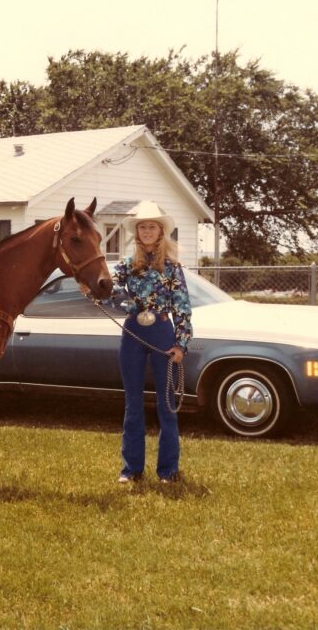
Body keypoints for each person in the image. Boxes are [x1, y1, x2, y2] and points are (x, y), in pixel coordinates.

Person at [112, 201, 192, 484]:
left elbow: (182, 306)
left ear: (160, 232)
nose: (147, 231)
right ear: (137, 232)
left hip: (161, 331)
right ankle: (131, 469)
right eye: (142, 227)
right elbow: (108, 289)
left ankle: (168, 471)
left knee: (166, 403)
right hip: (133, 332)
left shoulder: (171, 268)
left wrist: (181, 344)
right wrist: (128, 304)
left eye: (152, 227)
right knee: (132, 403)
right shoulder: (125, 266)